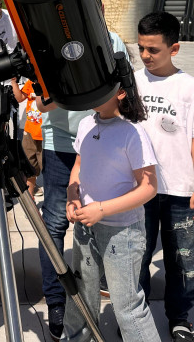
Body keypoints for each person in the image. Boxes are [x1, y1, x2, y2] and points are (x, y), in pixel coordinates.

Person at [37, 29, 130, 340]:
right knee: (53, 223)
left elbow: (123, 94)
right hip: (61, 142)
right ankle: (56, 301)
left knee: (97, 218)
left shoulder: (113, 42)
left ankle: (95, 283)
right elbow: (42, 104)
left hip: (101, 140)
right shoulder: (52, 46)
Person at [136, 12, 194, 342]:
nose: (146, 56)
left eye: (153, 50)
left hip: (179, 190)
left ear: (174, 48)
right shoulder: (132, 82)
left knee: (182, 258)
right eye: (141, 48)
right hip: (137, 190)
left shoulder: (189, 87)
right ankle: (135, 316)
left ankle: (180, 317)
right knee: (136, 258)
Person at [62, 86, 160, 342]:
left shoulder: (132, 132)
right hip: (86, 226)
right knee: (80, 295)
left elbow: (149, 187)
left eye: (100, 88)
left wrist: (102, 209)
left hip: (122, 233)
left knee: (127, 306)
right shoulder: (85, 124)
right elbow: (79, 166)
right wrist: (72, 195)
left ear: (121, 93)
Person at [11, 75, 43, 198]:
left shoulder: (47, 81)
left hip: (45, 133)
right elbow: (19, 98)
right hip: (29, 131)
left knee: (45, 165)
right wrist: (14, 82)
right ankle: (30, 198)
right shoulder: (30, 82)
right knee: (29, 164)